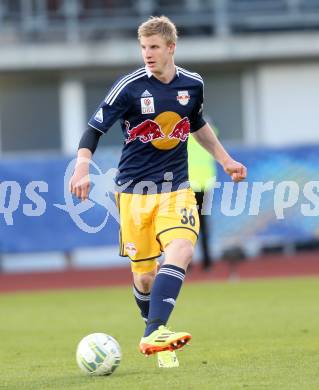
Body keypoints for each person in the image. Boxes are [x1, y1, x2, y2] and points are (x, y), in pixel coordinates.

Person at [69, 16, 247, 368]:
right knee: (145, 277)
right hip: (134, 194)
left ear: (171, 48)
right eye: (143, 48)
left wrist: (225, 160)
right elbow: (93, 130)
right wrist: (81, 166)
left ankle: (155, 333)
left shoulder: (192, 84)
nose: (148, 54)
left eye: (154, 47)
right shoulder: (130, 87)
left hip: (175, 188)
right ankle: (154, 332)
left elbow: (196, 124)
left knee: (181, 248)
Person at [188, 133, 216, 270]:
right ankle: (207, 262)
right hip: (205, 182)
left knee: (187, 224)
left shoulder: (184, 133)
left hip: (190, 184)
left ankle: (187, 261)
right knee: (203, 224)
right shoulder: (209, 131)